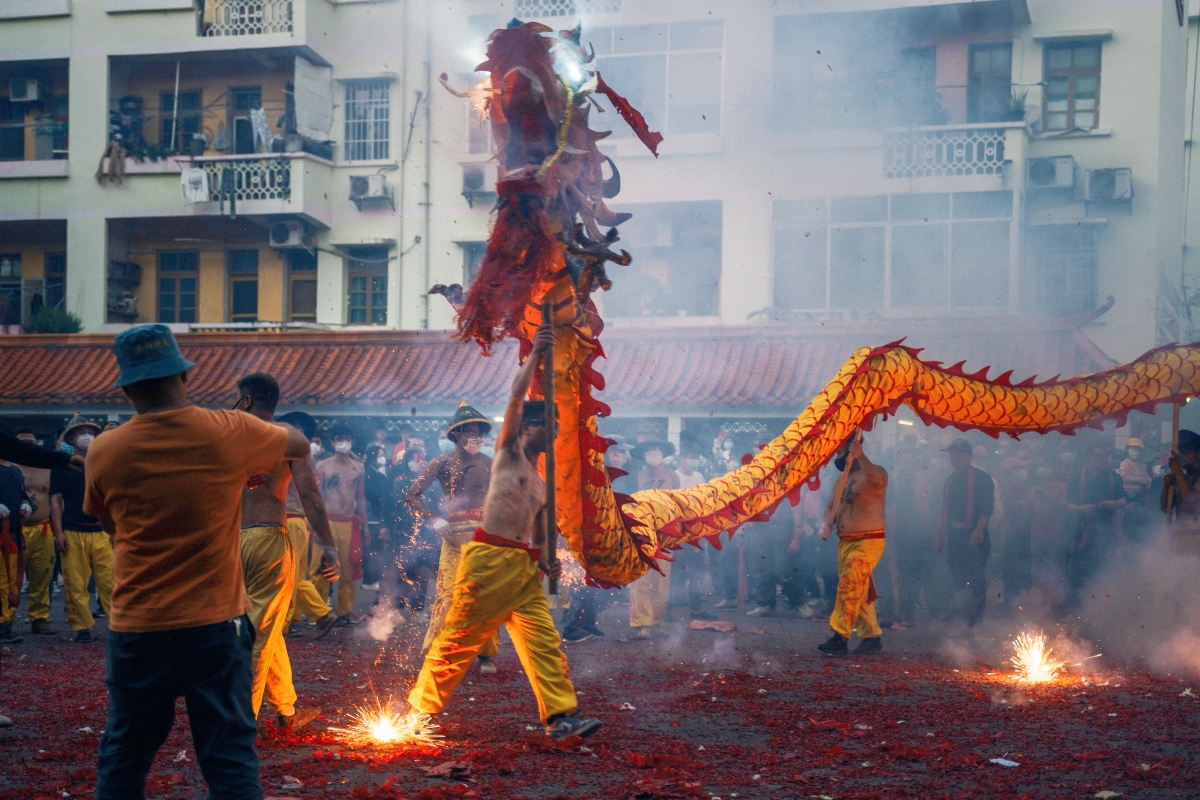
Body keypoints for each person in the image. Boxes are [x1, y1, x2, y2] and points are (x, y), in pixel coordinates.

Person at [84, 323, 312, 799]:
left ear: (126, 388)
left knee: (125, 755)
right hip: (212, 625)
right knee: (229, 757)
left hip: (137, 626)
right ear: (185, 377)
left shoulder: (105, 449)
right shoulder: (229, 431)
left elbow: (111, 527)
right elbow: (298, 443)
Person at [406, 321, 601, 742]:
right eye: (549, 424)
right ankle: (420, 713)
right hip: (489, 561)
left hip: (523, 569)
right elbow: (515, 395)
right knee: (459, 638)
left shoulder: (539, 478)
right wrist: (535, 355)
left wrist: (548, 556)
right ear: (528, 427)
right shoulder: (509, 453)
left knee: (543, 641)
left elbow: (542, 527)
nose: (556, 432)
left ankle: (560, 716)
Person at [233, 373, 340, 734]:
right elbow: (310, 496)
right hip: (268, 538)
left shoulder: (225, 436)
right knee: (261, 631)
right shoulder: (290, 439)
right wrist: (329, 546)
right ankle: (242, 722)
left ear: (247, 400)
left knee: (269, 625)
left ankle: (287, 711)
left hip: (230, 540)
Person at [406, 402, 500, 672]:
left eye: (480, 433)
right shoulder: (441, 463)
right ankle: (436, 651)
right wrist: (434, 519)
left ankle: (486, 655)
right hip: (452, 536)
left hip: (484, 537)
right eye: (470, 433)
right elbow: (412, 495)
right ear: (456, 436)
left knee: (484, 596)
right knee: (447, 596)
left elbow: (505, 496)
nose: (476, 439)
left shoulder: (490, 464)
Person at [817, 436, 888, 657]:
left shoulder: (875, 471)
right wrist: (826, 523)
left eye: (841, 453)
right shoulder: (840, 480)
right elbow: (830, 506)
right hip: (845, 543)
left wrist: (861, 456)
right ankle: (871, 637)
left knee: (850, 583)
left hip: (868, 540)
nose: (838, 458)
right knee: (860, 589)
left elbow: (877, 481)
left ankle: (840, 636)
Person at [276, 412, 338, 638]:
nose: (296, 432)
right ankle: (315, 615)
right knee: (296, 575)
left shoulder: (294, 453)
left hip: (290, 520)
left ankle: (289, 622)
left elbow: (310, 494)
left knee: (285, 576)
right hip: (298, 521)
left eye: (300, 430)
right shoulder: (304, 455)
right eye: (294, 428)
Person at [51, 419, 112, 644]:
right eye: (81, 432)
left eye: (89, 432)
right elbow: (56, 500)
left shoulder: (104, 464)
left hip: (101, 531)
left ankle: (119, 627)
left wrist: (114, 530)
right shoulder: (61, 466)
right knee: (75, 583)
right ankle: (82, 628)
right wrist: (58, 532)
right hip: (72, 531)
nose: (86, 435)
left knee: (110, 582)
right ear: (71, 439)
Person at [936, 438, 995, 637]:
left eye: (960, 454)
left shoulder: (982, 478)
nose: (955, 458)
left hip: (976, 534)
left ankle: (976, 620)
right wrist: (941, 537)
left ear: (969, 456)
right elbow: (945, 510)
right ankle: (964, 616)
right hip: (955, 536)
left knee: (977, 578)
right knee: (959, 578)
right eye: (952, 454)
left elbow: (988, 506)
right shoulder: (949, 480)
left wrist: (978, 530)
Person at [315, 424, 368, 624]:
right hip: (327, 522)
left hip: (349, 523)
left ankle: (345, 612)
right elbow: (318, 498)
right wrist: (315, 523)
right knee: (322, 568)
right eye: (339, 438)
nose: (343, 442)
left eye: (346, 438)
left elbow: (361, 497)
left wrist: (366, 525)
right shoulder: (323, 466)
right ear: (332, 442)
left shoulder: (358, 468)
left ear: (351, 442)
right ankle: (319, 613)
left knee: (347, 569)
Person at [626, 440, 678, 640]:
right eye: (647, 450)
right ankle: (642, 624)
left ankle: (659, 621)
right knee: (641, 579)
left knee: (662, 579)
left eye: (655, 450)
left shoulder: (673, 476)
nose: (652, 453)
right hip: (641, 531)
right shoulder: (636, 476)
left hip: (666, 533)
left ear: (663, 453)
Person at [1065, 444, 1125, 606]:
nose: (1104, 459)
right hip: (1082, 531)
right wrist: (1081, 509)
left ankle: (1103, 606)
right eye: (1099, 456)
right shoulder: (1077, 477)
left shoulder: (1114, 478)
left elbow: (1122, 500)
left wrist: (1112, 504)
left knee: (1106, 569)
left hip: (1108, 531)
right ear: (1089, 458)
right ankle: (1078, 606)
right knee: (1079, 570)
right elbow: (1068, 505)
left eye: (1106, 456)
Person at [15, 428, 56, 635]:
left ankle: (40, 618)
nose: (29, 445)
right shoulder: (8, 467)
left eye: (32, 441)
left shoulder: (47, 467)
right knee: (11, 577)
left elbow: (56, 501)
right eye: (23, 442)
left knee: (42, 576)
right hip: (15, 529)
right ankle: (6, 619)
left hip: (43, 529)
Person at [391, 447, 440, 615]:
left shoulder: (432, 484)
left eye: (419, 458)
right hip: (404, 532)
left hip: (425, 534)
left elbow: (436, 507)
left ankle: (417, 610)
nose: (416, 462)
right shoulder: (401, 481)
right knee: (403, 570)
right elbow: (398, 504)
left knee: (423, 573)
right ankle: (398, 609)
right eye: (413, 458)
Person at [673, 448, 716, 621]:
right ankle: (668, 611)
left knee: (696, 571)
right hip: (678, 532)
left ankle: (696, 609)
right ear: (682, 458)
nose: (694, 460)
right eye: (691, 456)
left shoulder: (699, 477)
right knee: (676, 572)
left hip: (696, 531)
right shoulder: (674, 477)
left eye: (697, 457)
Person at [0, 435, 32, 645]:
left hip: (11, 534)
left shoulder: (15, 470)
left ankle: (5, 622)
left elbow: (22, 494)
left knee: (9, 582)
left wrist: (26, 504)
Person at [1163, 429, 1200, 557]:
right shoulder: (1182, 479)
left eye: (1187, 451)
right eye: (1184, 451)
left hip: (1196, 537)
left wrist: (1178, 473)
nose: (1181, 455)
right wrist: (1167, 486)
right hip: (1179, 535)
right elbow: (1165, 508)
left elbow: (1190, 498)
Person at [362, 443, 393, 592]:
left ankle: (374, 577)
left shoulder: (379, 474)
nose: (383, 458)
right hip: (371, 517)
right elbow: (374, 495)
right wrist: (382, 499)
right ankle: (369, 579)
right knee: (371, 551)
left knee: (377, 550)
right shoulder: (368, 473)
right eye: (380, 455)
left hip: (377, 517)